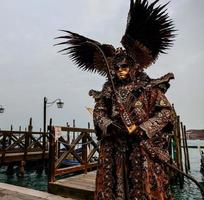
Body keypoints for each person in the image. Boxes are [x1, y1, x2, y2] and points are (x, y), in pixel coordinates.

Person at [56, 0, 177, 199]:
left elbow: (165, 112)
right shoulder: (108, 91)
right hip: (114, 147)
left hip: (142, 146)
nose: (120, 71)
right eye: (117, 67)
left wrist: (144, 128)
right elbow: (99, 112)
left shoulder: (149, 87)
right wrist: (109, 126)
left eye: (124, 67)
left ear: (133, 66)